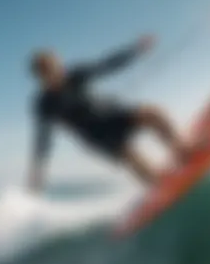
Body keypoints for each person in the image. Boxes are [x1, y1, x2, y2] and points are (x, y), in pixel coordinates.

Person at [27, 34, 192, 192]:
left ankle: (182, 151)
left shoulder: (75, 75)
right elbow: (43, 138)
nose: (57, 72)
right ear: (40, 77)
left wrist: (135, 49)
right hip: (95, 135)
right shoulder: (44, 104)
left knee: (153, 114)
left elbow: (107, 65)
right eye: (48, 71)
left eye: (57, 66)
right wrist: (38, 170)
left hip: (111, 114)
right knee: (132, 157)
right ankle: (162, 189)